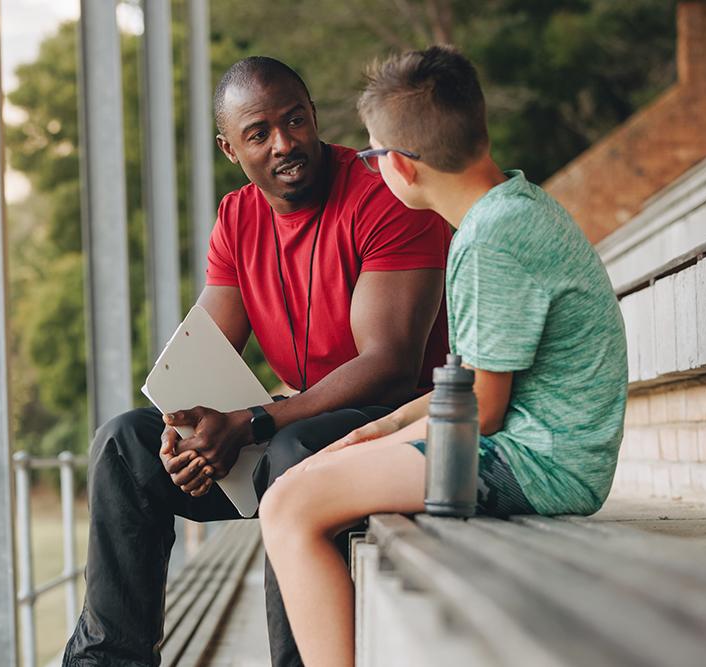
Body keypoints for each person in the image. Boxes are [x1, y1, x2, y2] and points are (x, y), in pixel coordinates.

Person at [62, 56, 452, 667]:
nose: (285, 143)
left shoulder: (383, 193)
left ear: (314, 116)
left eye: (295, 120)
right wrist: (183, 435)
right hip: (297, 424)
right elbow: (200, 363)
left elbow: (390, 365)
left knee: (298, 458)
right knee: (123, 447)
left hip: (403, 429)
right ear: (229, 148)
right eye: (259, 133)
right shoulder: (237, 217)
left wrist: (252, 421)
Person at [259, 45, 629, 667]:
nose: (373, 169)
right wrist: (373, 432)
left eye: (374, 156)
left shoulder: (492, 240)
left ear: (400, 166)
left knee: (288, 506)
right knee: (303, 480)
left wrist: (352, 454)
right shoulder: (508, 208)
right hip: (532, 449)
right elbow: (469, 390)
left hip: (539, 465)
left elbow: (480, 412)